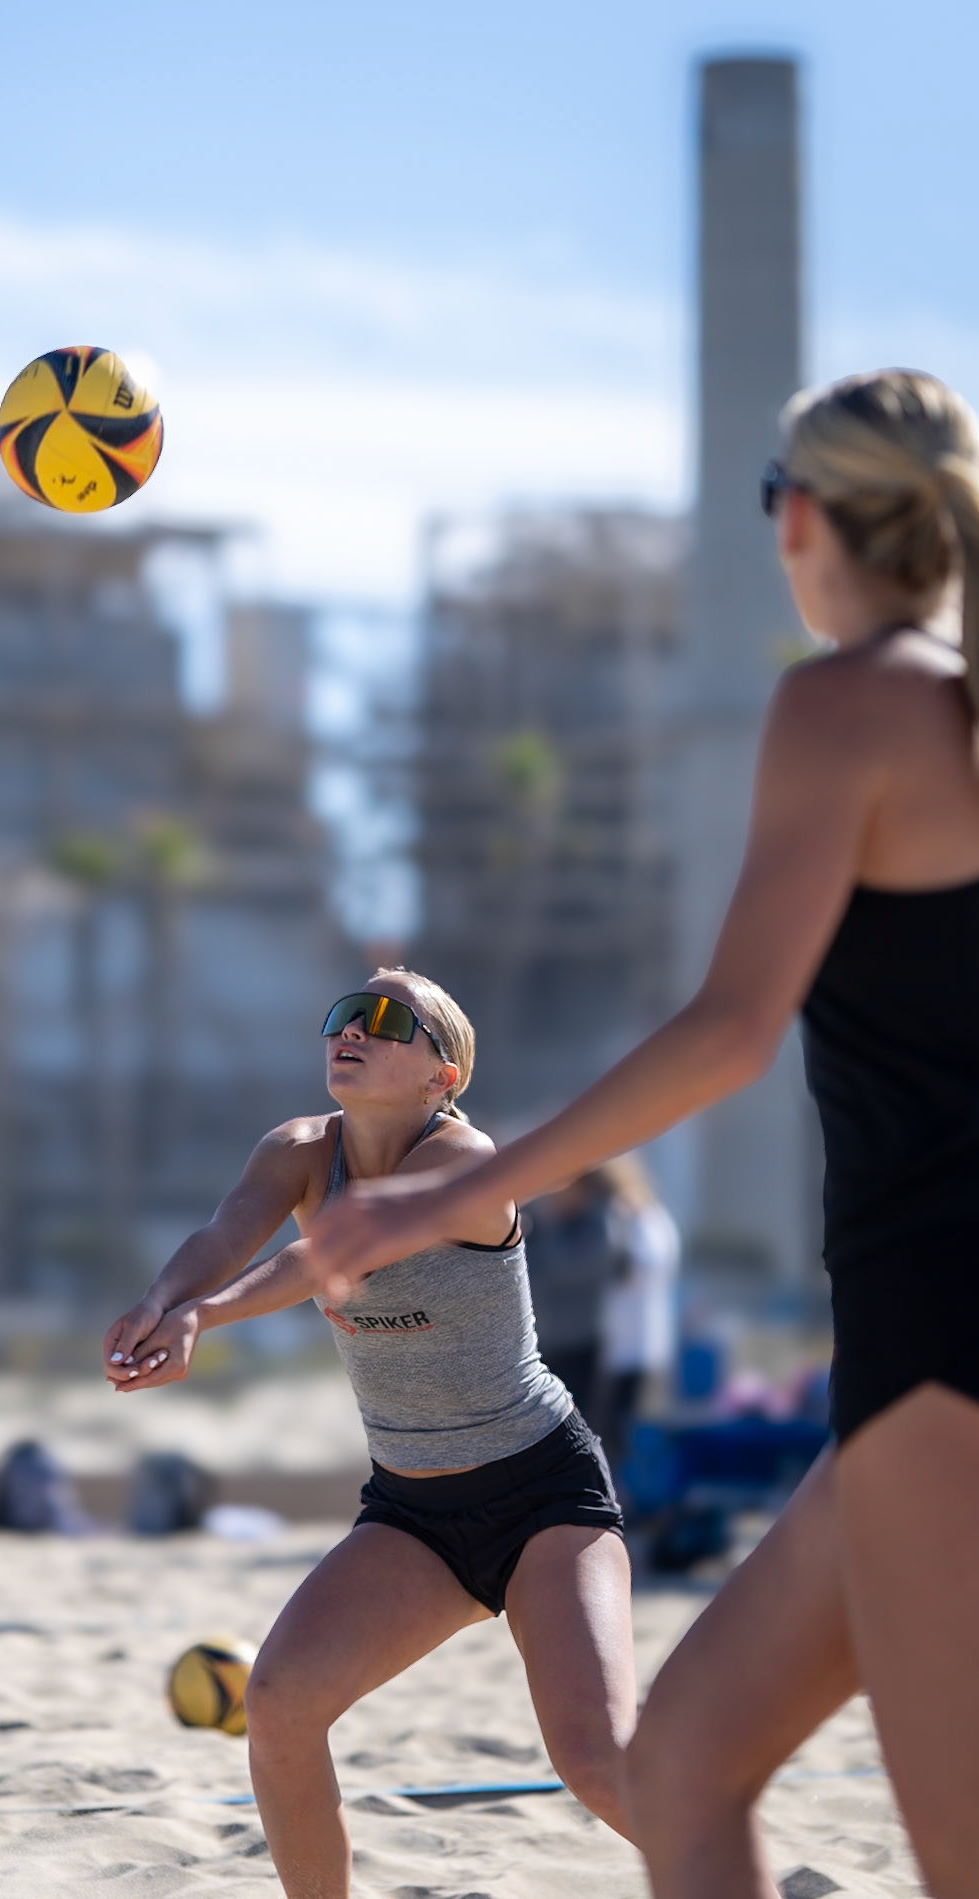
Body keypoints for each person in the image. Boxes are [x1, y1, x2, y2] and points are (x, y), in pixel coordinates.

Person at [307, 370, 979, 1898]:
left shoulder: (850, 698)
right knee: (682, 1763)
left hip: (940, 1344)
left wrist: (434, 1194)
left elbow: (730, 1028)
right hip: (911, 1362)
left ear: (799, 520)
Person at [102, 969, 634, 1899]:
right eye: (345, 1014)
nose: (352, 1029)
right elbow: (224, 1236)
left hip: (544, 1494)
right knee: (278, 1704)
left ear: (442, 1074)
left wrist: (203, 1318)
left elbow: (329, 1251)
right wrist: (159, 1305)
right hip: (413, 1512)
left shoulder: (461, 1159)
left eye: (387, 1020)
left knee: (595, 1758)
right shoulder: (299, 1149)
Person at [593, 1154, 680, 1467]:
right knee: (613, 1430)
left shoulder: (636, 1218)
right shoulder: (650, 1217)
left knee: (613, 1432)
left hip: (626, 1343)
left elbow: (639, 1267)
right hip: (629, 1341)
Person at [522, 1171, 617, 1423]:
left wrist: (548, 1224)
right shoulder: (540, 1222)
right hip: (543, 1342)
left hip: (578, 1343)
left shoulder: (596, 1223)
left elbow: (568, 1270)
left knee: (580, 1421)